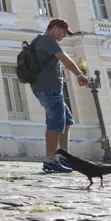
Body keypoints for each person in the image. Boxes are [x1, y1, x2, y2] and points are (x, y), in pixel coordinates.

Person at [30, 18, 91, 174]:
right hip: (48, 88)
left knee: (66, 121)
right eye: (64, 32)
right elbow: (65, 59)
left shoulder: (41, 41)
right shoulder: (47, 41)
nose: (64, 35)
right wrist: (79, 74)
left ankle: (63, 157)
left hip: (49, 89)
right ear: (55, 28)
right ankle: (50, 160)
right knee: (55, 121)